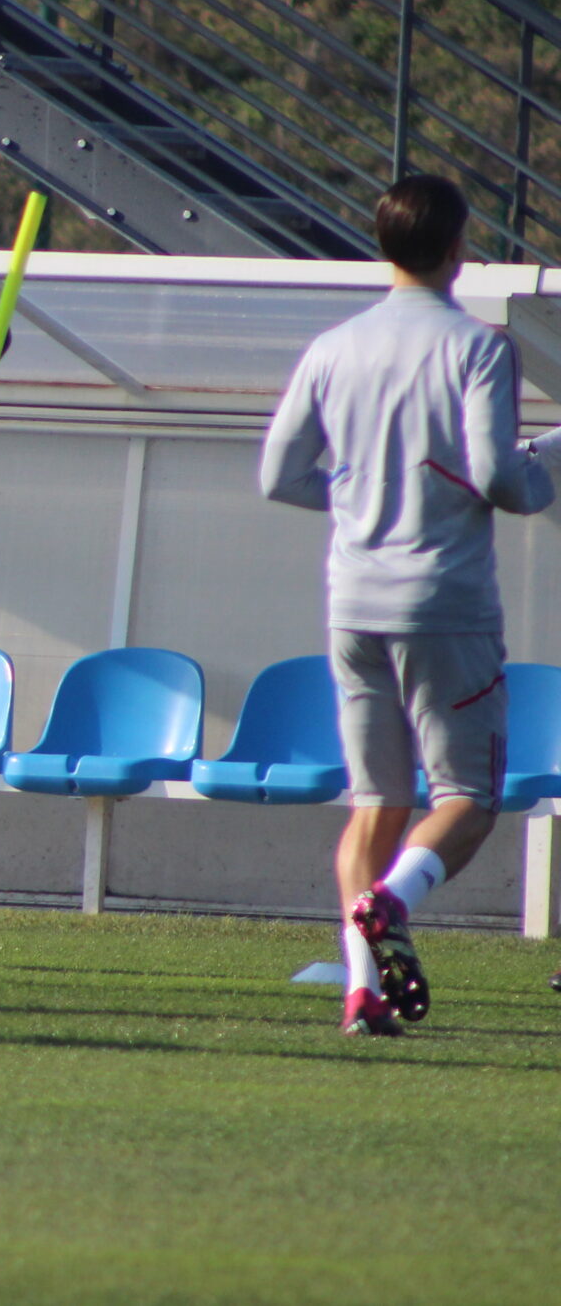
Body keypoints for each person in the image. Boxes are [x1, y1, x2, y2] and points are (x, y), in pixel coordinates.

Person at [261, 174, 556, 1037]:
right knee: (468, 793)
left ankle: (363, 992)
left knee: (376, 802)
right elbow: (501, 474)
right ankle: (391, 902)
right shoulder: (476, 347)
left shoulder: (333, 346)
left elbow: (278, 475)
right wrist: (538, 477)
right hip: (445, 603)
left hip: (352, 601)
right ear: (460, 247)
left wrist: (362, 499)